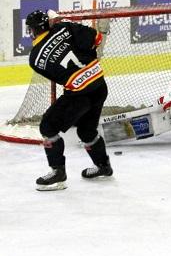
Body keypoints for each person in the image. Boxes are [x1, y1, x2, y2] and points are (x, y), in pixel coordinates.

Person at [26, 10, 112, 191]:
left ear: (32, 31)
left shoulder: (34, 58)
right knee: (87, 131)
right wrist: (70, 29)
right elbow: (96, 39)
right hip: (99, 84)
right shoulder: (64, 27)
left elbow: (58, 76)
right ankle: (103, 166)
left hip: (79, 94)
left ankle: (58, 174)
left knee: (47, 127)